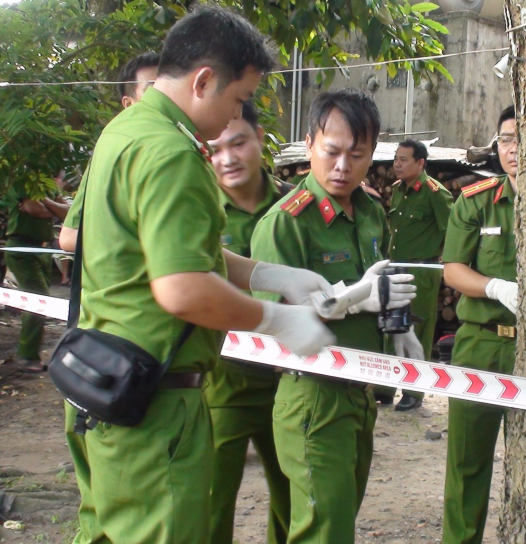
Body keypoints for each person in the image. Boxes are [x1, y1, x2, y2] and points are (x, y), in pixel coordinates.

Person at [63, 8, 334, 543]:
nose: (234, 117)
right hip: (155, 402)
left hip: (102, 380)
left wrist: (268, 273)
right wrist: (277, 321)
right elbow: (183, 287)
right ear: (204, 81)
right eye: (237, 100)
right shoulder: (171, 152)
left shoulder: (126, 130)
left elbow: (174, 253)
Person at [250, 89, 423, 542]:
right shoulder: (287, 222)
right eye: (331, 152)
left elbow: (382, 276)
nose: (342, 166)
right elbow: (273, 318)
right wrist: (352, 298)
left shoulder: (370, 213)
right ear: (309, 146)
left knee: (338, 522)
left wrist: (398, 324)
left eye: (356, 154)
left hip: (360, 392)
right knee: (323, 532)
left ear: (372, 157)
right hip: (312, 395)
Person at [204, 100, 293, 544]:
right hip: (223, 383)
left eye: (237, 143)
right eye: (214, 148)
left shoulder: (297, 207)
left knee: (294, 500)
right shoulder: (199, 209)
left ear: (260, 139)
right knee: (211, 502)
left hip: (292, 384)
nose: (226, 158)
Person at [441, 106, 519, 544]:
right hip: (480, 346)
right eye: (507, 139)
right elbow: (453, 269)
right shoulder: (476, 201)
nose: (515, 149)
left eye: (524, 138)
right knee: (468, 463)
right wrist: (495, 289)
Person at [59, 51, 160, 253]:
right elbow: (69, 237)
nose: (165, 96)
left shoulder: (201, 148)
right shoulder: (111, 157)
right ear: (129, 105)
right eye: (153, 88)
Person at [379, 139, 452, 411]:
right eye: (396, 159)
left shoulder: (435, 193)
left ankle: (413, 391)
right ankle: (384, 387)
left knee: (416, 330)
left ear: (420, 163)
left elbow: (452, 230)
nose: (397, 165)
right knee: (389, 327)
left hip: (421, 272)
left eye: (404, 160)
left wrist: (446, 260)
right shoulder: (399, 191)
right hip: (394, 267)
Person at [4, 184, 70, 372]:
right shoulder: (24, 179)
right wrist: (54, 209)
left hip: (42, 249)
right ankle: (27, 356)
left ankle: (30, 354)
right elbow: (35, 209)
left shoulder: (47, 184)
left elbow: (68, 212)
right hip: (21, 246)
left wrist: (45, 202)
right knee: (38, 300)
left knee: (41, 300)